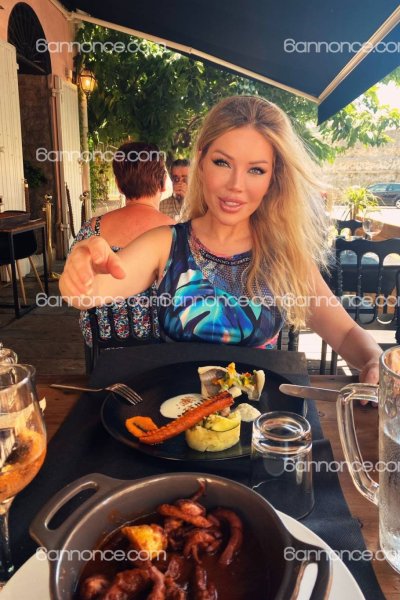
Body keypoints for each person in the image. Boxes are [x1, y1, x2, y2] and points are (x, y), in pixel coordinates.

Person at [60, 96, 381, 383]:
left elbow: (346, 334)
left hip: (257, 420)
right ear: (201, 162)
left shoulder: (285, 257)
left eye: (256, 170)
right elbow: (88, 295)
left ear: (274, 178)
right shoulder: (165, 244)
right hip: (175, 416)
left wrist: (375, 362)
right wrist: (82, 266)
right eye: (222, 163)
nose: (235, 185)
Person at [72, 141, 173, 347]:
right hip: (161, 343)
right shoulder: (177, 233)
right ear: (163, 183)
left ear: (119, 185)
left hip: (103, 340)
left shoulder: (92, 229)